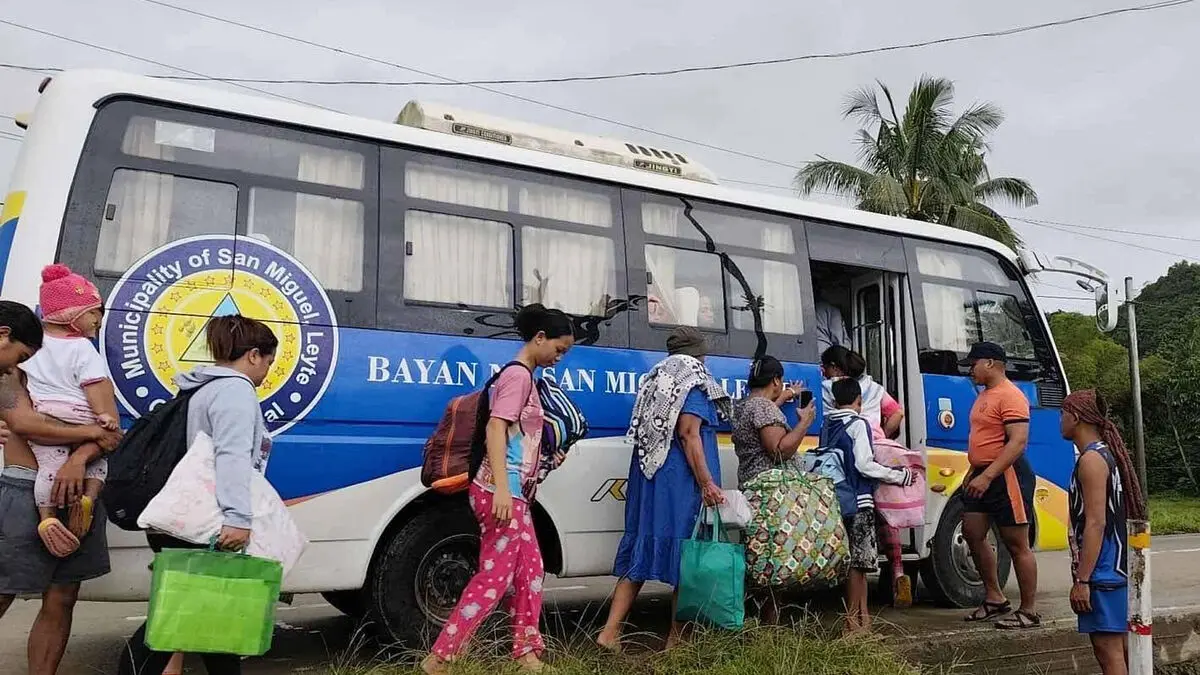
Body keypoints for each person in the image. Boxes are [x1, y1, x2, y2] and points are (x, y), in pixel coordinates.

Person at [117, 314, 279, 675]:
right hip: (205, 522)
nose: (267, 371)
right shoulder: (235, 390)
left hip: (180, 516)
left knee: (213, 622)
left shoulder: (199, 387)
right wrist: (238, 517)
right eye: (268, 361)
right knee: (173, 623)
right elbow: (231, 455)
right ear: (253, 355)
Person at [422, 304, 575, 675]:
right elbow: (495, 429)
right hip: (498, 492)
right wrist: (504, 490)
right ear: (539, 338)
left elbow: (517, 437)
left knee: (531, 571)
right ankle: (441, 657)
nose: (559, 358)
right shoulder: (518, 377)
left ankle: (526, 653)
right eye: (558, 349)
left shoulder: (525, 377)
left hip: (512, 493)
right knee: (494, 576)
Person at [0, 299, 124, 675]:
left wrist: (76, 459)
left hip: (79, 490)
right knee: (4, 591)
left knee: (63, 596)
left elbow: (113, 429)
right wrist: (90, 433)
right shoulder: (8, 370)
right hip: (24, 488)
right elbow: (23, 423)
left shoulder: (85, 359)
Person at [597, 327, 730, 652]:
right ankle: (677, 641)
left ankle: (610, 633)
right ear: (699, 355)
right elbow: (689, 434)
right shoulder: (692, 383)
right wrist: (706, 481)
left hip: (650, 479)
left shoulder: (658, 381)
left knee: (639, 555)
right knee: (689, 557)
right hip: (680, 483)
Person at [21, 264, 119, 557]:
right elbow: (93, 384)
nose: (98, 323)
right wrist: (104, 418)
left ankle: (47, 517)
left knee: (49, 469)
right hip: (83, 414)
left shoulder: (32, 346)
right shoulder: (82, 349)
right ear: (72, 315)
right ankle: (87, 499)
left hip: (46, 414)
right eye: (93, 314)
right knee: (99, 463)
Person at [820, 346, 913, 606]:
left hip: (849, 459)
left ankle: (853, 612)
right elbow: (898, 412)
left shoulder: (832, 389)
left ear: (837, 369)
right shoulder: (875, 388)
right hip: (876, 451)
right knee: (888, 515)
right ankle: (897, 573)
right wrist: (883, 433)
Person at [1062, 389, 1147, 675]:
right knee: (1122, 650)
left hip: (1103, 571)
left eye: (1063, 414)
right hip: (1112, 569)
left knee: (1108, 653)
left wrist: (1083, 579)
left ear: (1075, 417)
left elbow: (1095, 523)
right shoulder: (1105, 456)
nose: (1060, 420)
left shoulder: (1091, 461)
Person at [958, 342, 1040, 629]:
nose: (971, 370)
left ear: (991, 363)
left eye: (974, 364)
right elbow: (985, 439)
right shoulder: (984, 396)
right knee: (972, 531)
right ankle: (994, 597)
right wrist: (973, 471)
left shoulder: (1011, 396)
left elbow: (1017, 442)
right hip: (982, 473)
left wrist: (988, 475)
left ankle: (1028, 611)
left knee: (1017, 543)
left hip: (1006, 476)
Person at [730, 354, 817, 623]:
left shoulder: (746, 406)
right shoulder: (763, 409)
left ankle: (755, 620)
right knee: (774, 559)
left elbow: (764, 415)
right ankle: (770, 625)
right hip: (772, 497)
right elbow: (779, 450)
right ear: (776, 380)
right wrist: (804, 422)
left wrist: (785, 396)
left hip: (753, 487)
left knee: (760, 557)